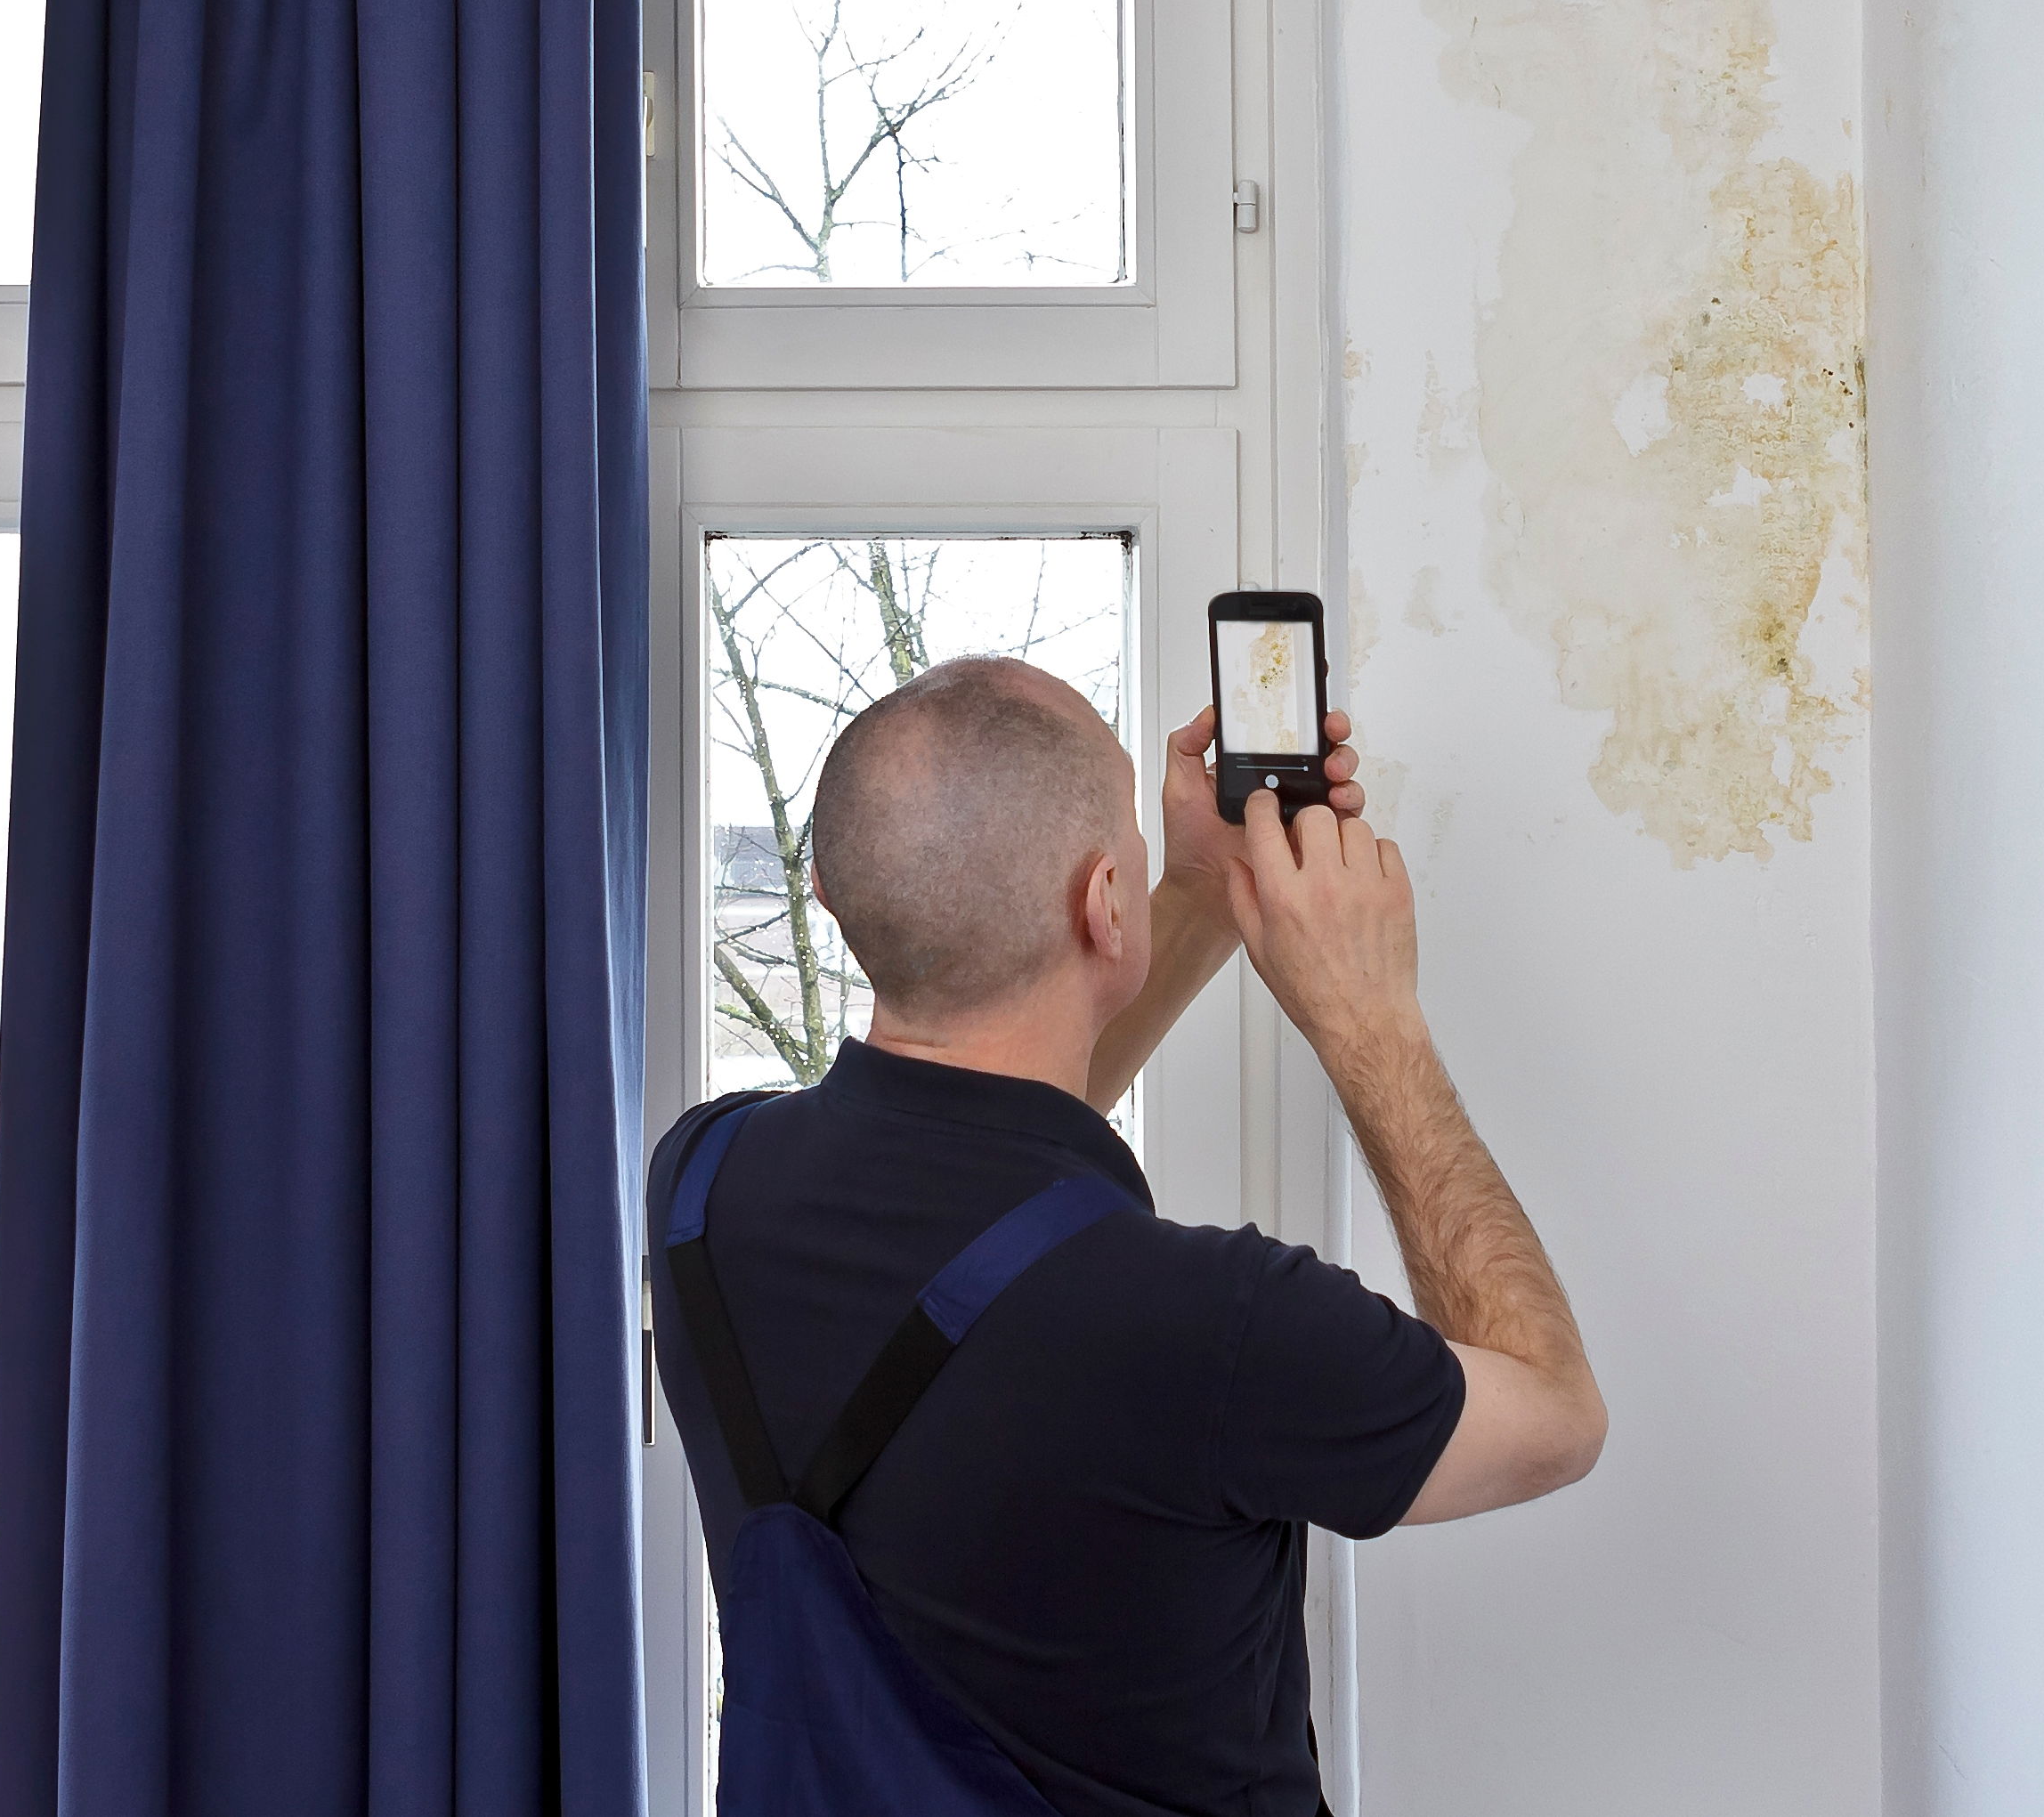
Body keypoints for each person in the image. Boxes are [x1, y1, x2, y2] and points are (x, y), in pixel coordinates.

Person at [646, 656, 1603, 1817]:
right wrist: (1367, 1016)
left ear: (834, 900)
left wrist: (1198, 892)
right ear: (1106, 903)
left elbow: (978, 1144)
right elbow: (1551, 1418)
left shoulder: (701, 1182)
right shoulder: (1215, 1322)